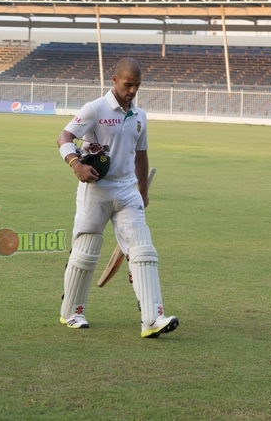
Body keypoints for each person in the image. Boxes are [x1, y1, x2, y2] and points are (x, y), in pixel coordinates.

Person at [56, 57, 178, 338]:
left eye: (137, 86)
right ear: (114, 81)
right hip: (95, 189)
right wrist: (76, 164)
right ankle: (72, 312)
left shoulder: (140, 116)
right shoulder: (95, 109)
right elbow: (63, 138)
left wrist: (143, 191)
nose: (132, 91)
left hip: (127, 190)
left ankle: (152, 319)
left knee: (143, 251)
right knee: (85, 253)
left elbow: (142, 154)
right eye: (127, 85)